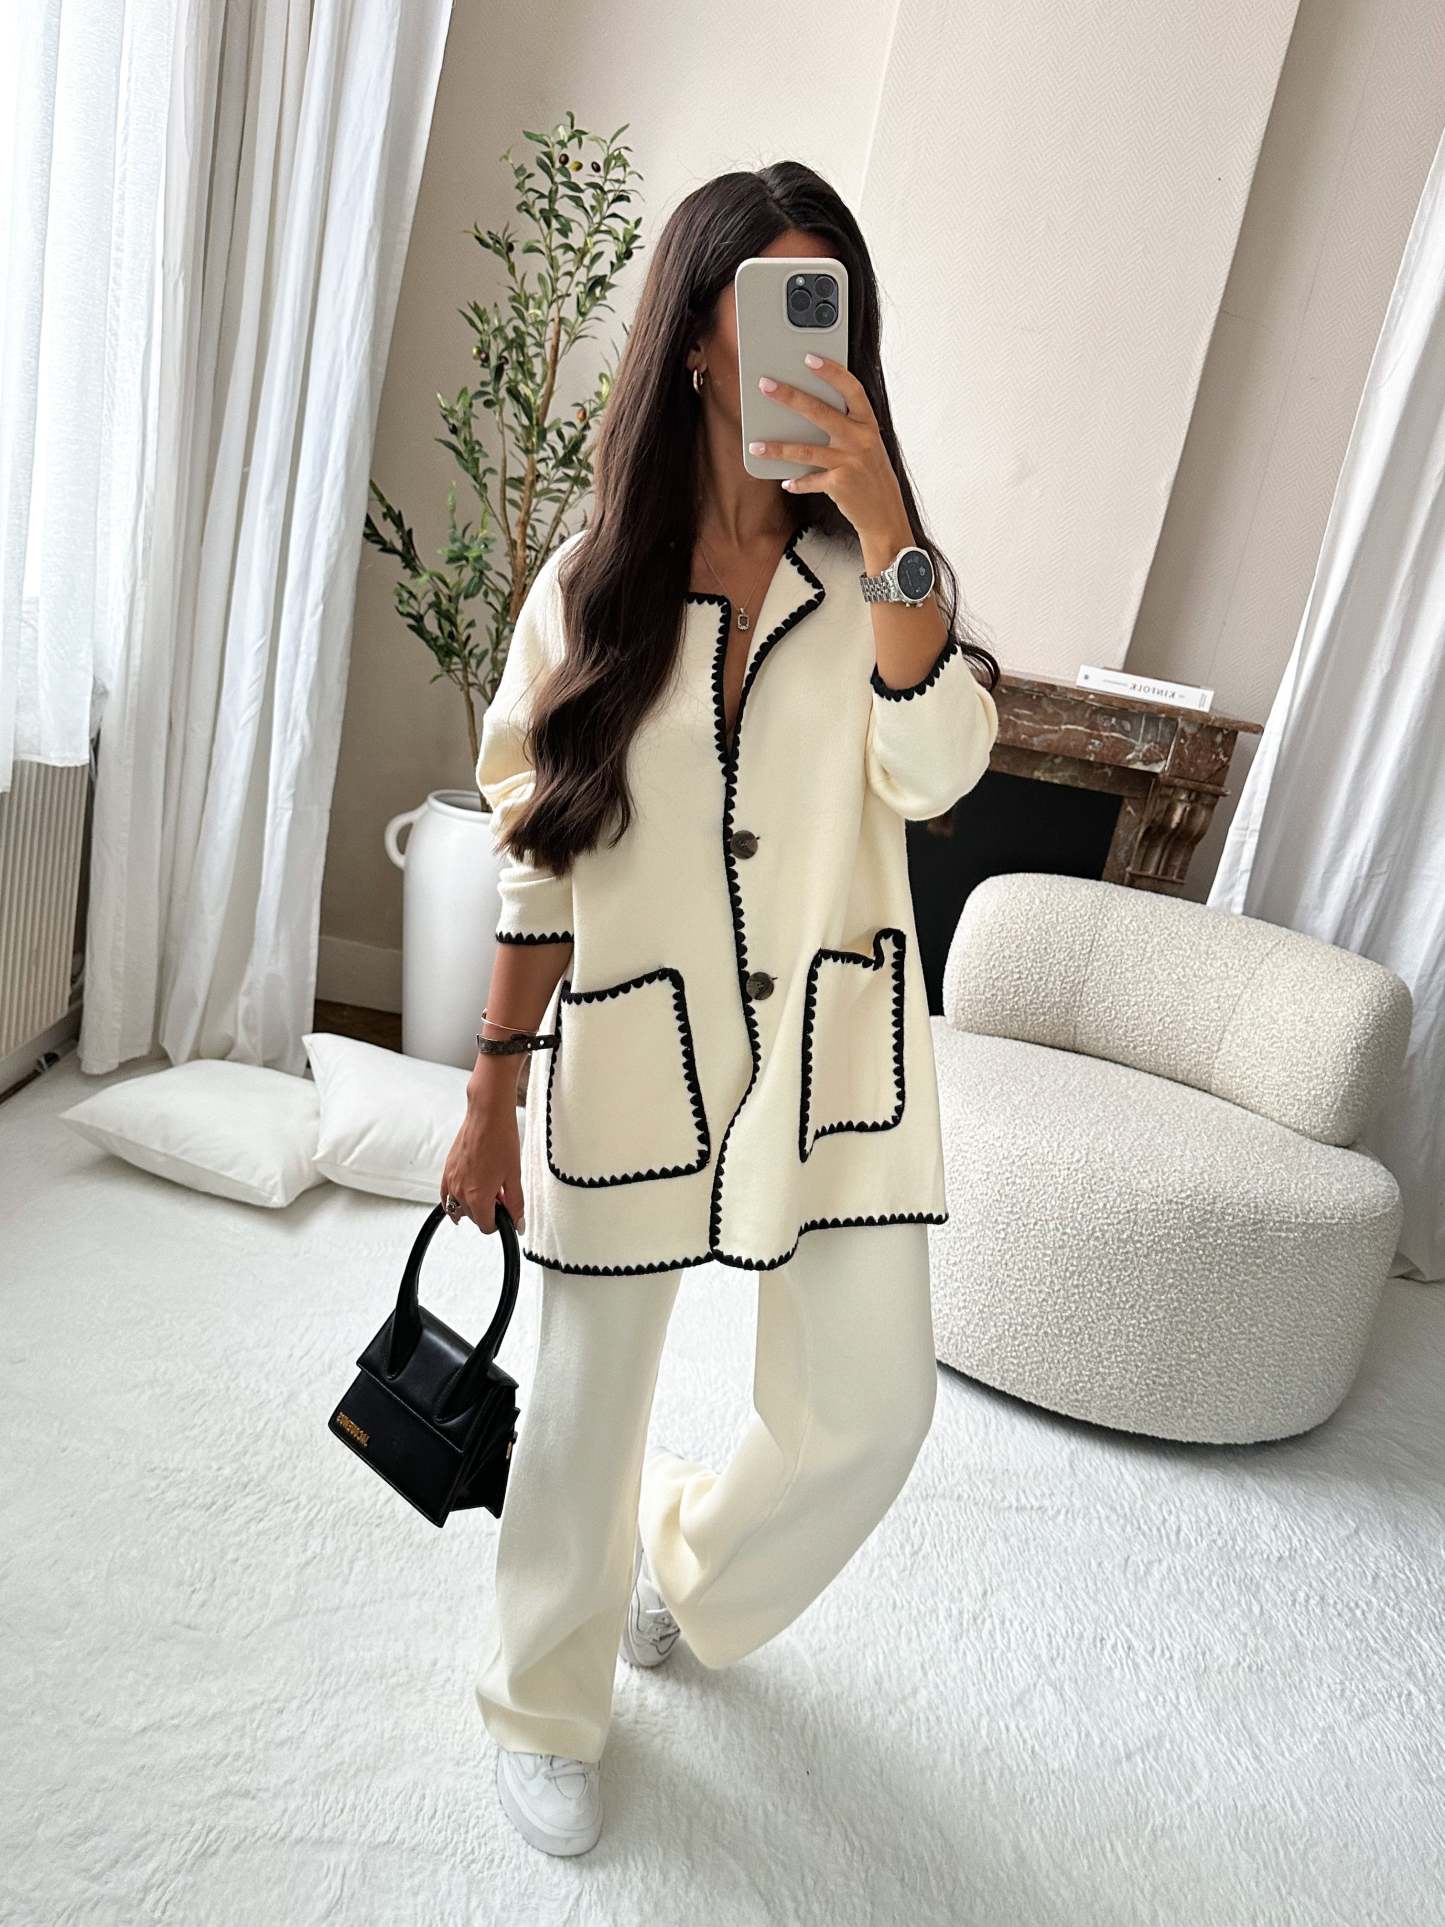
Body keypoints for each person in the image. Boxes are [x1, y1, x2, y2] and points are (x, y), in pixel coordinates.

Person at [440, 159, 1001, 1858]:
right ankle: (541, 1705)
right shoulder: (587, 587)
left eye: (830, 310)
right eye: (770, 306)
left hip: (829, 1055)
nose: (802, 347)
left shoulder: (881, 584)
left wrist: (891, 531)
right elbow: (538, 863)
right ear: (697, 337)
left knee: (871, 1412)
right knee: (584, 1412)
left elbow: (938, 768)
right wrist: (487, 1097)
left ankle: (682, 1566)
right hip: (634, 1048)